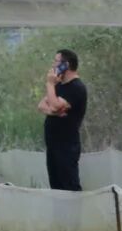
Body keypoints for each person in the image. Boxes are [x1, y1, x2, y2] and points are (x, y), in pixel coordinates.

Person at [38, 48, 88, 191]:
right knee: (56, 187)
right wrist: (53, 112)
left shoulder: (77, 87)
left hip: (66, 146)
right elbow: (41, 105)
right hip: (53, 144)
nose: (53, 65)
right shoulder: (59, 85)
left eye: (56, 61)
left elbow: (54, 104)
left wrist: (49, 84)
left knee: (69, 186)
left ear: (65, 65)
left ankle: (73, 214)